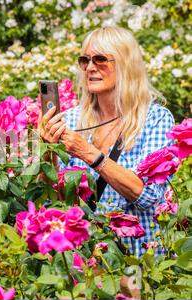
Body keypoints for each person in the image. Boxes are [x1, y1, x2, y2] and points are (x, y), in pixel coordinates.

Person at [38, 26, 175, 257]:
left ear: (125, 65)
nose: (90, 68)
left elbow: (148, 196)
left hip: (141, 260)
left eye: (100, 59)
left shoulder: (155, 119)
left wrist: (90, 154)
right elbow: (53, 197)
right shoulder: (71, 120)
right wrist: (47, 152)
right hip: (85, 262)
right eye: (85, 60)